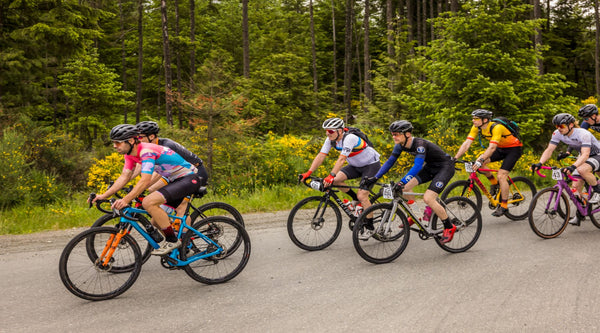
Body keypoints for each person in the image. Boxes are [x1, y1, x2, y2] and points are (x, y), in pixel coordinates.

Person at [91, 124, 202, 255]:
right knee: (157, 220)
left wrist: (126, 200)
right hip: (174, 180)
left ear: (131, 141)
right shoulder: (130, 155)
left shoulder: (146, 151)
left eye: (118, 142)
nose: (115, 146)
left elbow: (145, 180)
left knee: (148, 202)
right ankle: (185, 247)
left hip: (189, 178)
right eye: (113, 142)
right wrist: (103, 195)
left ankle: (173, 241)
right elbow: (124, 177)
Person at [363, 120, 456, 243]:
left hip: (445, 167)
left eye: (396, 134)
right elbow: (390, 162)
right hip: (431, 167)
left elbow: (417, 166)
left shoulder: (420, 145)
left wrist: (402, 181)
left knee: (428, 198)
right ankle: (416, 215)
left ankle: (449, 226)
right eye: (392, 134)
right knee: (404, 188)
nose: (394, 137)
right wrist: (375, 178)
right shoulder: (400, 145)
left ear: (407, 134)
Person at [299, 117, 381, 235]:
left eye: (331, 131)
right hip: (355, 165)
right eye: (326, 131)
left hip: (371, 165)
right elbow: (321, 156)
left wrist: (331, 175)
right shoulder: (330, 140)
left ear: (340, 131)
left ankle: (370, 227)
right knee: (336, 181)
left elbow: (342, 159)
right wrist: (308, 172)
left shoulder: (350, 138)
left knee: (363, 195)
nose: (328, 133)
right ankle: (355, 199)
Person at [531, 113, 600, 226]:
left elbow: (586, 154)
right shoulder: (557, 134)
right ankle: (581, 213)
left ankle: (598, 190)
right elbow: (549, 150)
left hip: (596, 154)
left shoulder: (583, 133)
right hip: (583, 156)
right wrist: (540, 163)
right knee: (575, 188)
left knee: (582, 170)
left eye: (561, 126)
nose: (559, 129)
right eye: (556, 126)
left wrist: (573, 166)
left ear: (571, 125)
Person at [454, 109, 523, 217]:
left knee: (501, 175)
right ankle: (494, 184)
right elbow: (467, 143)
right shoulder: (476, 128)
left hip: (513, 149)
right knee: (480, 165)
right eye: (473, 118)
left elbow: (491, 148)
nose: (473, 120)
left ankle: (504, 206)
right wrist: (455, 158)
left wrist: (481, 160)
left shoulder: (497, 127)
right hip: (500, 148)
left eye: (476, 118)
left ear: (485, 120)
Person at [135, 121, 209, 216]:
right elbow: (141, 166)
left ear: (151, 136)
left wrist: (142, 187)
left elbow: (159, 173)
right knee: (152, 190)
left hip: (196, 173)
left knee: (181, 207)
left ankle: (185, 230)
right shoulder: (149, 147)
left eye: (140, 137)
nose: (138, 140)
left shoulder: (166, 145)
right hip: (176, 174)